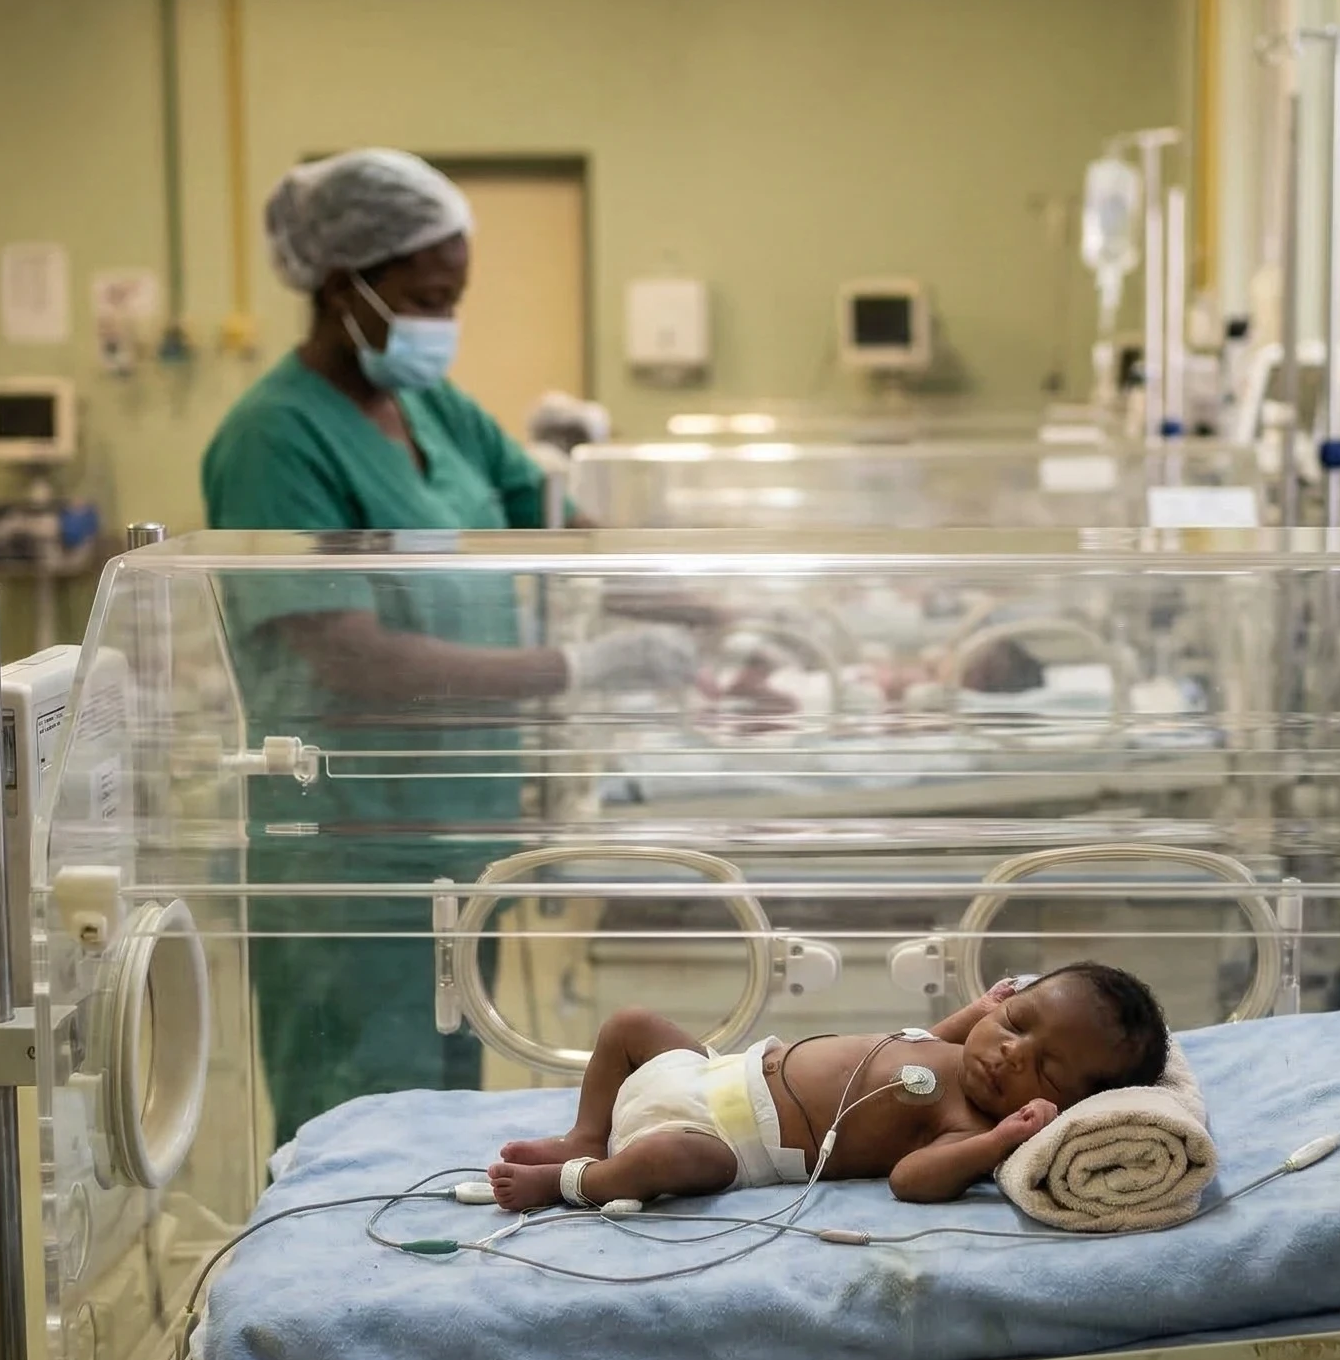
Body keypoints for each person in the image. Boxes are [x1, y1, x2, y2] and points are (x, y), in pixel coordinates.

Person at [202, 148, 694, 1142]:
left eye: (454, 298)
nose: (443, 323)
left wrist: (711, 605)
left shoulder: (437, 409)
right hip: (350, 851)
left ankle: (426, 1289)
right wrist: (578, 668)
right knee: (354, 1129)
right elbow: (351, 655)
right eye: (427, 296)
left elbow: (554, 528)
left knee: (444, 1116)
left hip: (461, 834)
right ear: (345, 285)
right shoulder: (273, 440)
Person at [486, 962, 1168, 1211]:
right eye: (1016, 1022)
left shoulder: (963, 1124)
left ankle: (581, 1180)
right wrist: (979, 1011)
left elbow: (912, 1179)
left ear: (1061, 1107)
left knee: (668, 1163)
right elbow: (924, 1040)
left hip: (725, 1142)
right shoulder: (960, 1046)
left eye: (1044, 1072)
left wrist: (996, 1143)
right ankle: (585, 1131)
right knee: (630, 1025)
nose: (1011, 1055)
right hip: (710, 1071)